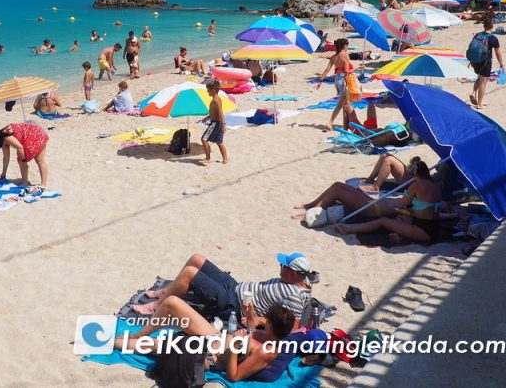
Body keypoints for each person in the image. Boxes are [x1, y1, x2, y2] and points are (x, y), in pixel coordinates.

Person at [120, 302, 297, 383]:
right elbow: (251, 334)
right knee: (171, 304)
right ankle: (138, 334)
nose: (264, 320)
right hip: (213, 336)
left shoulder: (267, 352)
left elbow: (233, 376)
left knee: (155, 346)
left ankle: (112, 342)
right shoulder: (265, 334)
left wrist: (235, 347)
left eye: (268, 320)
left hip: (206, 356)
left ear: (272, 326)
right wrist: (250, 317)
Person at [131, 252, 315, 328]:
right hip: (236, 287)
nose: (280, 268)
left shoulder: (294, 297)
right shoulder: (304, 279)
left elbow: (291, 328)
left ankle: (156, 305)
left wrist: (259, 320)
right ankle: (165, 292)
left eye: (283, 267)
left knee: (189, 274)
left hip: (233, 304)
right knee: (197, 258)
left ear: (292, 273)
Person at [335, 159, 453, 244]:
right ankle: (400, 231)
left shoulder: (416, 185)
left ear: (415, 174)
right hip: (433, 227)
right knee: (404, 214)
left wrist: (409, 196)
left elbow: (403, 203)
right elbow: (428, 212)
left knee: (383, 221)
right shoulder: (437, 186)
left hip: (423, 231)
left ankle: (348, 229)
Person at [0, 122, 50, 186]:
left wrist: (23, 160)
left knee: (21, 160)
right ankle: (43, 184)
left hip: (33, 136)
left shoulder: (6, 137)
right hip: (39, 132)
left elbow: (20, 147)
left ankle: (25, 182)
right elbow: (6, 158)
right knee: (40, 161)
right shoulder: (3, 134)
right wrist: (3, 174)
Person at [315, 38, 355, 131]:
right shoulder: (345, 56)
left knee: (346, 103)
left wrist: (320, 81)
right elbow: (346, 71)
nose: (347, 47)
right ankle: (330, 123)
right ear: (344, 45)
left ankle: (348, 125)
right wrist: (357, 68)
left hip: (337, 80)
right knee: (341, 104)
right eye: (347, 45)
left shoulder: (334, 56)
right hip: (344, 80)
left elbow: (327, 70)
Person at [468, 19, 503, 110]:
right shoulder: (493, 38)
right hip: (485, 62)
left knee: (480, 77)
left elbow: (472, 48)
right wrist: (501, 64)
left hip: (475, 61)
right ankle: (479, 104)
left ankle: (473, 93)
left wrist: (471, 60)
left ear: (484, 26)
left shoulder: (477, 35)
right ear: (492, 26)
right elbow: (498, 53)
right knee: (483, 81)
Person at [201, 80, 228, 164]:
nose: (207, 91)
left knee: (204, 139)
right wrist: (207, 117)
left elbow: (220, 113)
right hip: (216, 122)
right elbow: (215, 112)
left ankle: (208, 158)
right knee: (219, 142)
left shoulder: (216, 100)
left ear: (213, 91)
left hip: (216, 123)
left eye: (208, 90)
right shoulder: (216, 99)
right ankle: (225, 159)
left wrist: (223, 125)